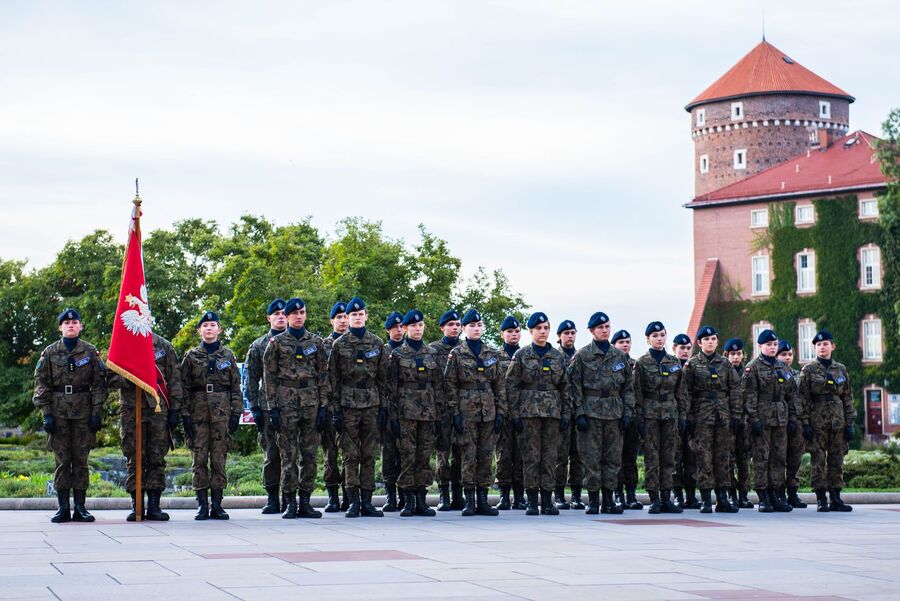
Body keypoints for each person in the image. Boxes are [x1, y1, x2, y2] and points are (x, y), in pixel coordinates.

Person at [33, 309, 108, 523]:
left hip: (84, 412)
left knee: (81, 460)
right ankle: (63, 508)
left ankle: (81, 508)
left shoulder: (90, 351)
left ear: (81, 326)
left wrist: (96, 413)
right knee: (62, 461)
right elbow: (41, 384)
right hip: (58, 413)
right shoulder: (49, 352)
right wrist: (47, 414)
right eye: (66, 323)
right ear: (60, 327)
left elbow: (99, 384)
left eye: (75, 322)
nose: (71, 325)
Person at [263, 298, 330, 519]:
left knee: (310, 455)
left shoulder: (316, 342)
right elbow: (269, 378)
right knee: (288, 455)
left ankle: (305, 501)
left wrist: (323, 406)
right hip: (286, 403)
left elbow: (323, 375)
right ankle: (290, 501)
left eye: (302, 312)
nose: (299, 316)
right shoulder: (276, 343)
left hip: (311, 402)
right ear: (287, 316)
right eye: (294, 313)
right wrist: (272, 408)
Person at [568, 311, 635, 515]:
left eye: (607, 327)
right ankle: (593, 500)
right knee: (591, 458)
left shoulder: (619, 356)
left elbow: (628, 388)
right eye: (600, 328)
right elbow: (574, 386)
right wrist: (579, 413)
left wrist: (627, 413)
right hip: (591, 413)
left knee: (612, 459)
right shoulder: (582, 355)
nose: (605, 330)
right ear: (591, 331)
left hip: (614, 412)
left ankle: (608, 500)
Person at [328, 297, 389, 518]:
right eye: (353, 315)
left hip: (371, 404)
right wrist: (335, 411)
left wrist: (383, 407)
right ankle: (353, 501)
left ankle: (367, 502)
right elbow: (333, 380)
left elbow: (383, 379)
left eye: (360, 314)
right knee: (350, 455)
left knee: (369, 454)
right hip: (348, 405)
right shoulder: (339, 344)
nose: (357, 317)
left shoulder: (377, 343)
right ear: (348, 317)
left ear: (366, 316)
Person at [113, 331, 183, 521]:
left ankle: (154, 506)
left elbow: (175, 379)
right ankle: (137, 505)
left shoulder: (164, 346)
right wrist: (133, 376)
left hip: (158, 409)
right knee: (134, 456)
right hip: (131, 409)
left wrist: (175, 409)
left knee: (157, 456)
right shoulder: (123, 344)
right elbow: (110, 377)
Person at [506, 312, 571, 515]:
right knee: (531, 456)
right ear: (531, 331)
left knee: (550, 456)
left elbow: (566, 387)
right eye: (539, 328)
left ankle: (548, 501)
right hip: (529, 412)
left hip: (552, 413)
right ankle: (532, 500)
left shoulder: (558, 356)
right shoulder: (522, 355)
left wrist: (566, 413)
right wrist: (515, 414)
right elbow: (511, 386)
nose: (543, 332)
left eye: (546, 328)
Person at [444, 309, 507, 516]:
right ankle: (469, 500)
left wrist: (500, 411)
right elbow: (450, 385)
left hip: (488, 411)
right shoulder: (457, 354)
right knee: (468, 456)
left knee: (486, 455)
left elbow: (499, 385)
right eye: (472, 326)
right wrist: (455, 413)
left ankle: (483, 500)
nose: (476, 329)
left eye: (479, 325)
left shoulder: (492, 353)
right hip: (466, 411)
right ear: (464, 329)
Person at [181, 311, 243, 520]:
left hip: (222, 415)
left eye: (213, 325)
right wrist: (184, 416)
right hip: (197, 415)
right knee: (199, 459)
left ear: (219, 330)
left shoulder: (228, 355)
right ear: (199, 330)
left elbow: (236, 387)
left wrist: (236, 413)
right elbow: (183, 388)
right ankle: (202, 505)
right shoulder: (191, 357)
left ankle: (217, 504)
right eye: (205, 325)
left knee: (219, 459)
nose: (209, 328)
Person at [386, 309, 443, 517]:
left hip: (428, 412)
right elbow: (391, 388)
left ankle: (421, 499)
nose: (417, 329)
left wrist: (439, 415)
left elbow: (438, 386)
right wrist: (393, 416)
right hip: (406, 412)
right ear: (405, 328)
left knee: (424, 455)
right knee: (407, 455)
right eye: (413, 326)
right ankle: (408, 499)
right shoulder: (397, 354)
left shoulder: (432, 353)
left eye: (420, 325)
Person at [682, 326, 740, 514]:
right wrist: (689, 418)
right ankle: (706, 499)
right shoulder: (692, 365)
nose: (710, 342)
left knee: (723, 457)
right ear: (700, 343)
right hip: (701, 416)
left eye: (713, 339)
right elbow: (685, 393)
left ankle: (722, 498)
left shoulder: (725, 364)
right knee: (703, 457)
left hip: (723, 416)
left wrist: (735, 415)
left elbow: (735, 390)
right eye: (706, 339)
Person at [741, 329, 797, 513]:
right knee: (762, 458)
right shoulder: (753, 367)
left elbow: (791, 395)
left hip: (781, 418)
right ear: (760, 346)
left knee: (778, 457)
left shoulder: (783, 368)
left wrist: (792, 418)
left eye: (775, 344)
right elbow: (749, 396)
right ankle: (763, 496)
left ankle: (775, 494)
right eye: (768, 345)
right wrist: (754, 419)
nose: (773, 347)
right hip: (762, 419)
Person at [799, 330, 854, 512]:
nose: (822, 347)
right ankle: (821, 498)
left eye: (825, 344)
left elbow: (847, 397)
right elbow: (802, 399)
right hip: (817, 422)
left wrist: (850, 423)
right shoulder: (808, 370)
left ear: (833, 346)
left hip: (838, 421)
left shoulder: (841, 369)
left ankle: (836, 497)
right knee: (818, 460)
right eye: (819, 345)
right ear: (814, 348)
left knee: (837, 460)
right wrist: (805, 423)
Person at [633, 321, 685, 514]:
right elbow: (637, 393)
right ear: (648, 339)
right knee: (652, 458)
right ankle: (654, 498)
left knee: (669, 457)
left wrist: (682, 416)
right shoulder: (642, 363)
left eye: (662, 335)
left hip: (670, 414)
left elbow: (681, 392)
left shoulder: (674, 362)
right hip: (650, 415)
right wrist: (639, 418)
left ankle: (666, 497)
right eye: (655, 336)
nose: (659, 339)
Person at [243, 298, 287, 514]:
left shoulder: (299, 342)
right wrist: (254, 408)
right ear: (269, 318)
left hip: (295, 406)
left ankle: (291, 497)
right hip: (268, 406)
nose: (281, 316)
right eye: (276, 314)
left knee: (293, 453)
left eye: (284, 313)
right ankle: (272, 497)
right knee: (272, 453)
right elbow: (250, 378)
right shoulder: (259, 345)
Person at [429, 310, 463, 511]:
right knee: (443, 452)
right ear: (442, 327)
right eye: (450, 324)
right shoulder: (432, 350)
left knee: (461, 453)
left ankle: (458, 494)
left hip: (462, 408)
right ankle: (443, 494)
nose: (455, 328)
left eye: (458, 324)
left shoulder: (465, 349)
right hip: (440, 408)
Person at [494, 315, 525, 510]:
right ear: (502, 334)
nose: (514, 334)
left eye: (516, 331)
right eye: (509, 331)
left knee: (522, 454)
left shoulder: (526, 355)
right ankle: (504, 495)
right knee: (503, 454)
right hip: (503, 412)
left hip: (523, 412)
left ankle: (520, 496)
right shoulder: (495, 356)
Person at [321, 301, 349, 512]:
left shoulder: (356, 343)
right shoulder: (323, 345)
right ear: (332, 321)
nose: (343, 320)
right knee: (330, 452)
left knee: (351, 452)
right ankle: (332, 496)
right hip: (330, 405)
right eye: (339, 317)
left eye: (346, 316)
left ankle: (349, 494)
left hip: (351, 405)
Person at [777, 340, 811, 508]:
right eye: (783, 354)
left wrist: (805, 423)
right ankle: (778, 494)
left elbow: (803, 400)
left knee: (795, 459)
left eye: (790, 354)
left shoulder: (798, 375)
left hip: (797, 423)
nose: (787, 357)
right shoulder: (773, 374)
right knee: (778, 459)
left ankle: (792, 493)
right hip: (780, 421)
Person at [554, 320, 584, 510]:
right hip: (560, 412)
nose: (570, 336)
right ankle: (558, 495)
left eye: (573, 333)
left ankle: (576, 495)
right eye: (566, 333)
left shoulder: (581, 356)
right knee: (560, 455)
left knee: (578, 455)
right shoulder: (554, 356)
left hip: (579, 411)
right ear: (559, 336)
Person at [612, 329, 642, 511]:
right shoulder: (610, 364)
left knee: (630, 457)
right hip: (614, 416)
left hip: (633, 416)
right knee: (615, 457)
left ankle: (631, 494)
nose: (625, 345)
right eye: (621, 342)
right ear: (614, 345)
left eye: (627, 342)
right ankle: (618, 494)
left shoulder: (636, 365)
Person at [380, 311, 406, 512]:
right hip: (388, 408)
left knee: (406, 452)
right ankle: (390, 496)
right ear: (388, 330)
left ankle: (406, 495)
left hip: (408, 408)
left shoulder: (410, 350)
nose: (398, 330)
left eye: (401, 327)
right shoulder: (382, 350)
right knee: (388, 453)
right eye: (394, 327)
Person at [724, 338, 754, 509]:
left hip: (745, 422)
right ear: (727, 355)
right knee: (728, 460)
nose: (735, 357)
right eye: (732, 354)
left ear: (743, 355)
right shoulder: (723, 371)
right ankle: (731, 494)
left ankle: (743, 494)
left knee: (744, 461)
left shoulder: (748, 373)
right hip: (727, 421)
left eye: (738, 354)